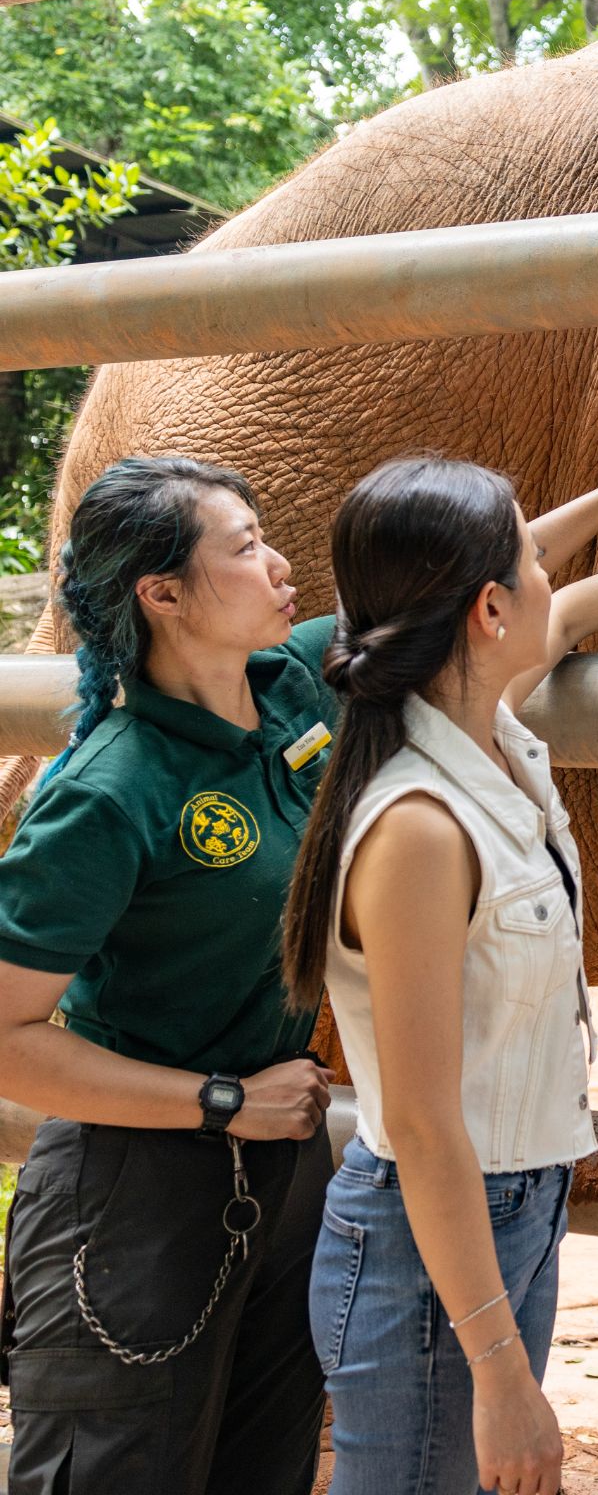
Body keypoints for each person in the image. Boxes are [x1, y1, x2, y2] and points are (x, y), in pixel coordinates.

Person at [281, 405, 598, 1495]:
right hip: (432, 1248)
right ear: (486, 610)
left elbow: (559, 620)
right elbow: (425, 1126)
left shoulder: (482, 728)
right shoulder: (420, 829)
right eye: (534, 557)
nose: (552, 573)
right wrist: (502, 1376)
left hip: (504, 1214)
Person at [0, 456, 336, 1495]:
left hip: (281, 1174)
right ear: (164, 594)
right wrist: (222, 1102)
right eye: (245, 546)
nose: (279, 564)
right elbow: (5, 1037)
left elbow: (457, 576)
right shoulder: (109, 791)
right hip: (134, 1196)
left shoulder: (290, 684)